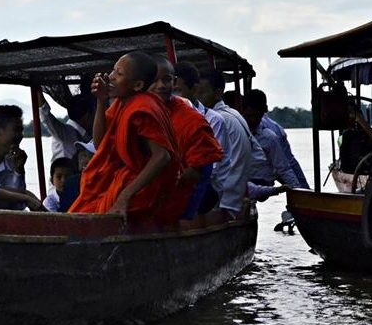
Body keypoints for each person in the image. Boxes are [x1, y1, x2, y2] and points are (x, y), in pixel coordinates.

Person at [68, 52, 182, 220]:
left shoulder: (143, 107)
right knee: (82, 210)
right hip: (125, 179)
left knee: (97, 218)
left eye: (119, 74)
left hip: (148, 186)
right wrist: (101, 100)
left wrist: (124, 197)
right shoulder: (121, 104)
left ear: (137, 85)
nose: (111, 77)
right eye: (113, 70)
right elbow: (100, 143)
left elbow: (162, 157)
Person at [149, 57, 223, 219]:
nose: (160, 86)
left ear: (173, 82)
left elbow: (201, 170)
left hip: (175, 201)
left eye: (166, 80)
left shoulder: (196, 120)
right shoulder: (138, 111)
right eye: (154, 81)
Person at [196, 69, 264, 217]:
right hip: (236, 195)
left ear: (218, 93)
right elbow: (259, 155)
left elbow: (212, 168)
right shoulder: (234, 113)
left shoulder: (215, 119)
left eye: (202, 93)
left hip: (223, 200)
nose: (197, 98)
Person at [242, 90, 306, 201]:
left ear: (263, 113)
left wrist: (299, 191)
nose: (253, 120)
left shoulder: (271, 136)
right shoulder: (236, 130)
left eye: (257, 116)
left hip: (263, 179)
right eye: (249, 116)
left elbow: (285, 167)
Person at [0, 105, 29, 209]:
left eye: (21, 130)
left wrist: (19, 171)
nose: (21, 136)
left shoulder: (13, 161)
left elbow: (18, 206)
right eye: (16, 130)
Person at [37, 91, 94, 160]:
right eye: (94, 113)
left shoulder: (86, 135)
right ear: (87, 115)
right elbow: (45, 114)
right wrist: (38, 90)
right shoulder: (64, 132)